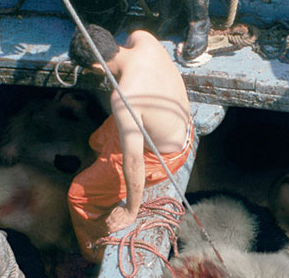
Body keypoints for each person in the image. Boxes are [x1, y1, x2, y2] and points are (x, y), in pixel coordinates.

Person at [66, 23, 194, 260]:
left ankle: (94, 252)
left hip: (162, 158)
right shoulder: (143, 38)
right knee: (99, 139)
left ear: (96, 67)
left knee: (77, 195)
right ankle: (103, 180)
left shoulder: (125, 97)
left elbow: (134, 161)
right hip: (181, 128)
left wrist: (130, 211)